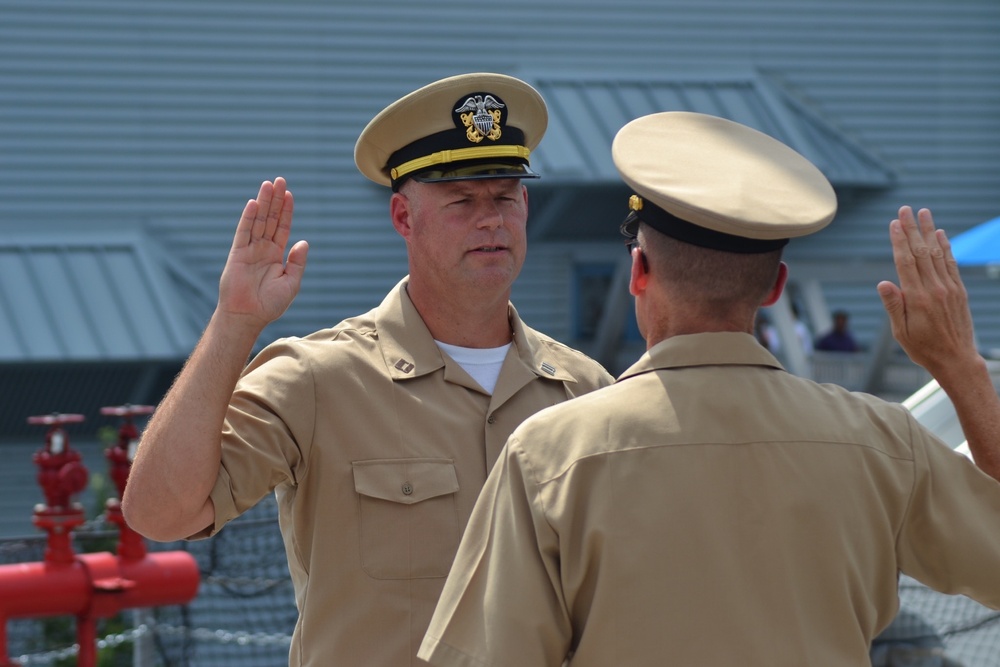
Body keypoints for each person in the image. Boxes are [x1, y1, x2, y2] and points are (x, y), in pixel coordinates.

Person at [417, 112, 1000, 666]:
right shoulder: (882, 443)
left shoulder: (551, 453)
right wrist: (962, 369)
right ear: (775, 286)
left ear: (638, 269)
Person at [121, 73, 613, 666]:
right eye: (463, 201)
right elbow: (159, 513)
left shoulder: (587, 393)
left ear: (526, 206)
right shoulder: (318, 379)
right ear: (404, 218)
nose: (491, 219)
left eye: (505, 196)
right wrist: (234, 322)